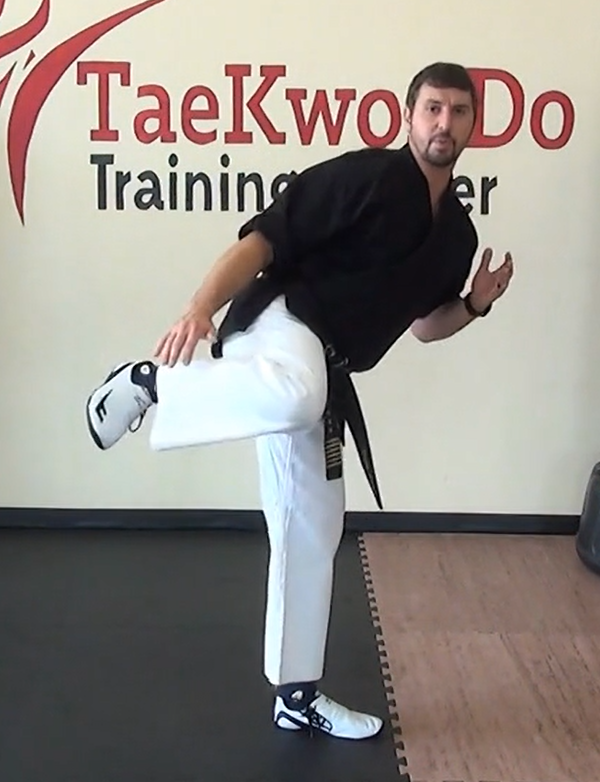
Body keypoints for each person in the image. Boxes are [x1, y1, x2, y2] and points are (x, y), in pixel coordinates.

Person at [85, 61, 514, 740]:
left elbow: (426, 326)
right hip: (282, 320)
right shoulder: (364, 177)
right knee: (296, 394)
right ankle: (148, 382)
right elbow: (263, 239)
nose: (444, 123)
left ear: (473, 125)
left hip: (326, 367)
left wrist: (474, 304)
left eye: (459, 111)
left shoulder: (456, 236)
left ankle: (295, 693)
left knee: (313, 523)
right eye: (432, 108)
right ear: (408, 116)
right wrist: (199, 308)